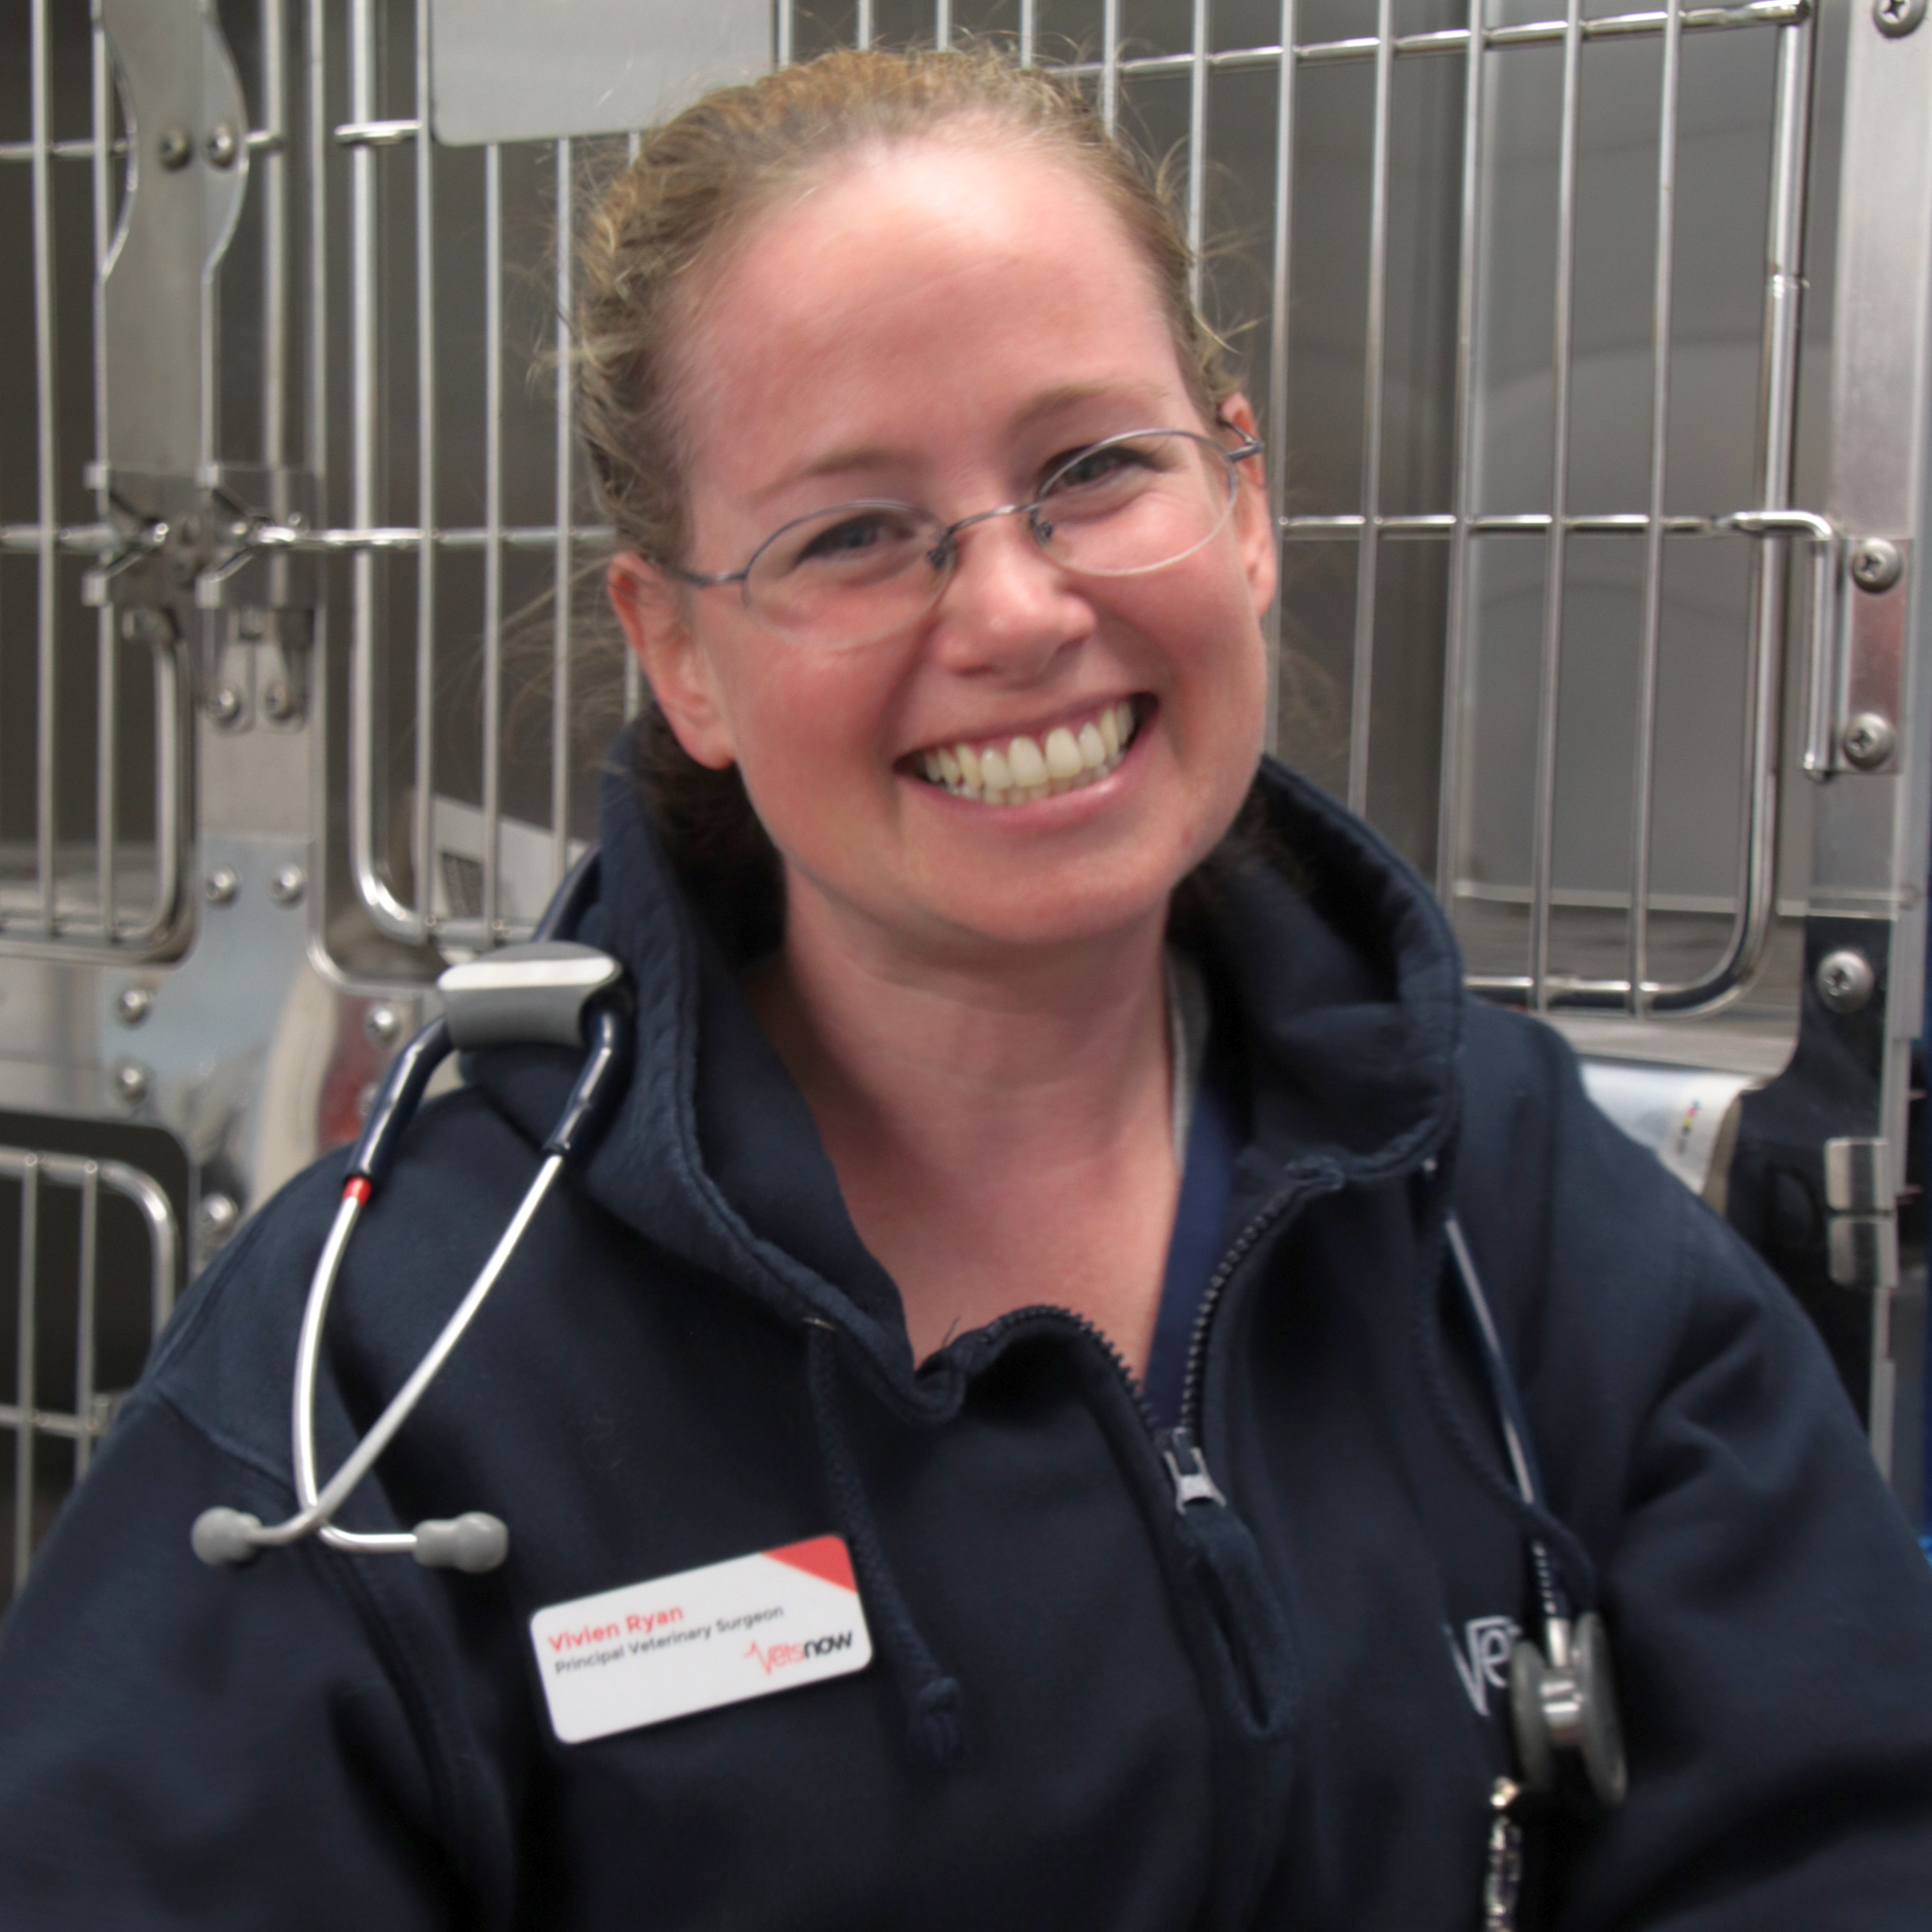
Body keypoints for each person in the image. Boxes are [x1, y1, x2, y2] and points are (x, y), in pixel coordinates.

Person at [1, 43, 1930, 1931]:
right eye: (853, 532)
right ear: (675, 648)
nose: (1013, 611)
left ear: (1241, 504)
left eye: (1091, 466)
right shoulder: (388, 1372)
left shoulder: (1508, 1211)